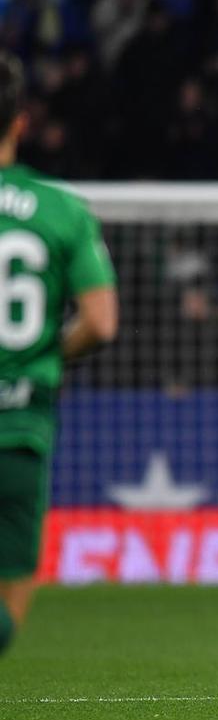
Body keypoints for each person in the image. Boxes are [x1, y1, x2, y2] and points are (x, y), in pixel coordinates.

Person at [0, 52, 118, 656]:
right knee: (9, 611)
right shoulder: (61, 209)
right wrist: (47, 354)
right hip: (23, 421)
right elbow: (99, 322)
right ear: (20, 123)